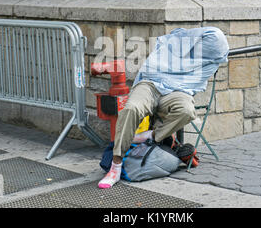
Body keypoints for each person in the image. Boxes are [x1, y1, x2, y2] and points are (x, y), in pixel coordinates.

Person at [98, 27, 229, 189]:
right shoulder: (177, 43)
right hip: (151, 83)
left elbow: (195, 82)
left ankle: (152, 135)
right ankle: (115, 167)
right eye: (208, 48)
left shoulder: (212, 58)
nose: (210, 53)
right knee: (131, 108)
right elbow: (153, 67)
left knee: (187, 110)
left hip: (179, 90)